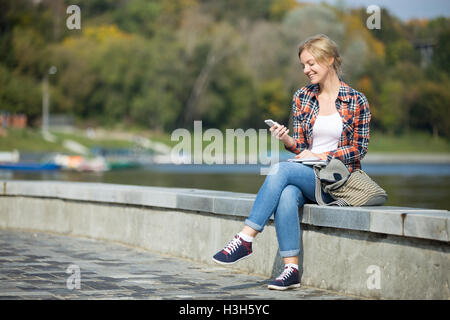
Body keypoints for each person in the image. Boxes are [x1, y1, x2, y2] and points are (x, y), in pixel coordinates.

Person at [212, 34, 371, 290]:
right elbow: (301, 148)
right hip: (308, 175)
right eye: (303, 65)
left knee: (281, 169)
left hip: (337, 181)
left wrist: (321, 156)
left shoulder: (356, 100)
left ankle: (245, 238)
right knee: (287, 193)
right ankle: (291, 270)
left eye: (311, 64)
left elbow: (359, 150)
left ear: (329, 59)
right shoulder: (302, 97)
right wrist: (287, 140)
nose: (306, 70)